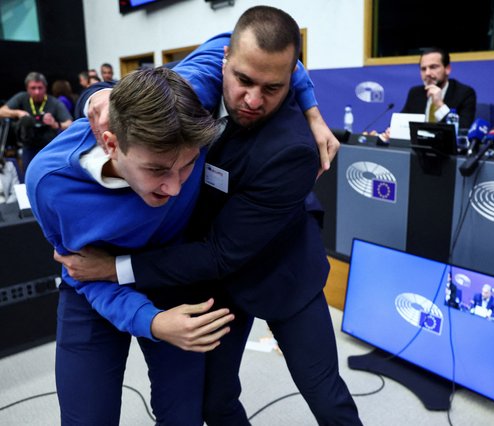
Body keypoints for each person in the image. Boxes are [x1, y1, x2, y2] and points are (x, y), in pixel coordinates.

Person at [57, 6, 362, 425]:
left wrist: (114, 268)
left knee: (325, 395)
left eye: (272, 88)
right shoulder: (196, 84)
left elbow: (222, 252)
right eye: (243, 80)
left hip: (279, 271)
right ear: (225, 63)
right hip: (210, 280)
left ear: (291, 79)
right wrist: (95, 97)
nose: (253, 100)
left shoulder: (293, 150)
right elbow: (126, 100)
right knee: (213, 402)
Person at [25, 67, 235, 425]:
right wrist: (150, 321)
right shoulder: (50, 184)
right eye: (156, 170)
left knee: (184, 414)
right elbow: (82, 271)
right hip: (95, 287)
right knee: (86, 417)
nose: (174, 189)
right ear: (111, 143)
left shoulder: (187, 94)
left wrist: (310, 110)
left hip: (172, 274)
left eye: (186, 166)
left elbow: (239, 42)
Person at [372, 47, 476, 139]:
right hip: (417, 151)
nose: (427, 73)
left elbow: (462, 131)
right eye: (423, 69)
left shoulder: (464, 93)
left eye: (433, 67)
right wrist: (389, 133)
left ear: (447, 69)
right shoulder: (416, 93)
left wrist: (439, 104)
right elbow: (402, 123)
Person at [0, 72, 72, 172]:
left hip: (48, 146)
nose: (37, 92)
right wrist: (17, 113)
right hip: (28, 145)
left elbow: (70, 124)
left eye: (40, 88)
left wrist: (55, 124)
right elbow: (1, 111)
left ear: (45, 88)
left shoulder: (54, 102)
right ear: (27, 88)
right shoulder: (22, 97)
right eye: (33, 88)